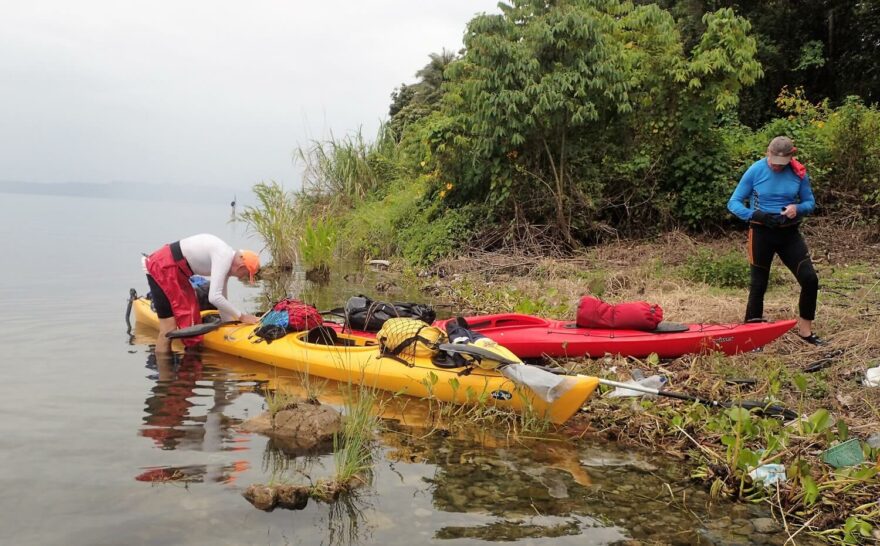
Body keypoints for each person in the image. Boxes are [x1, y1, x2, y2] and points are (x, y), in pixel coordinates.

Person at [727, 136, 823, 345]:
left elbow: (809, 203)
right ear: (767, 154)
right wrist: (755, 214)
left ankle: (806, 332)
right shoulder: (755, 170)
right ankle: (751, 337)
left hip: (789, 233)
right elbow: (733, 203)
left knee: (810, 279)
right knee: (759, 284)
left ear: (791, 157)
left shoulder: (798, 173)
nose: (776, 167)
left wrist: (797, 209)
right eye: (773, 163)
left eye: (782, 164)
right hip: (761, 233)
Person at [143, 233, 260, 352]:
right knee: (168, 327)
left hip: (177, 271)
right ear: (240, 267)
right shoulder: (223, 256)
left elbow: (221, 298)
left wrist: (229, 327)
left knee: (193, 321)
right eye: (245, 274)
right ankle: (164, 368)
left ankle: (192, 359)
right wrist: (242, 316)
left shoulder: (226, 260)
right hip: (162, 266)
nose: (242, 278)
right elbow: (214, 297)